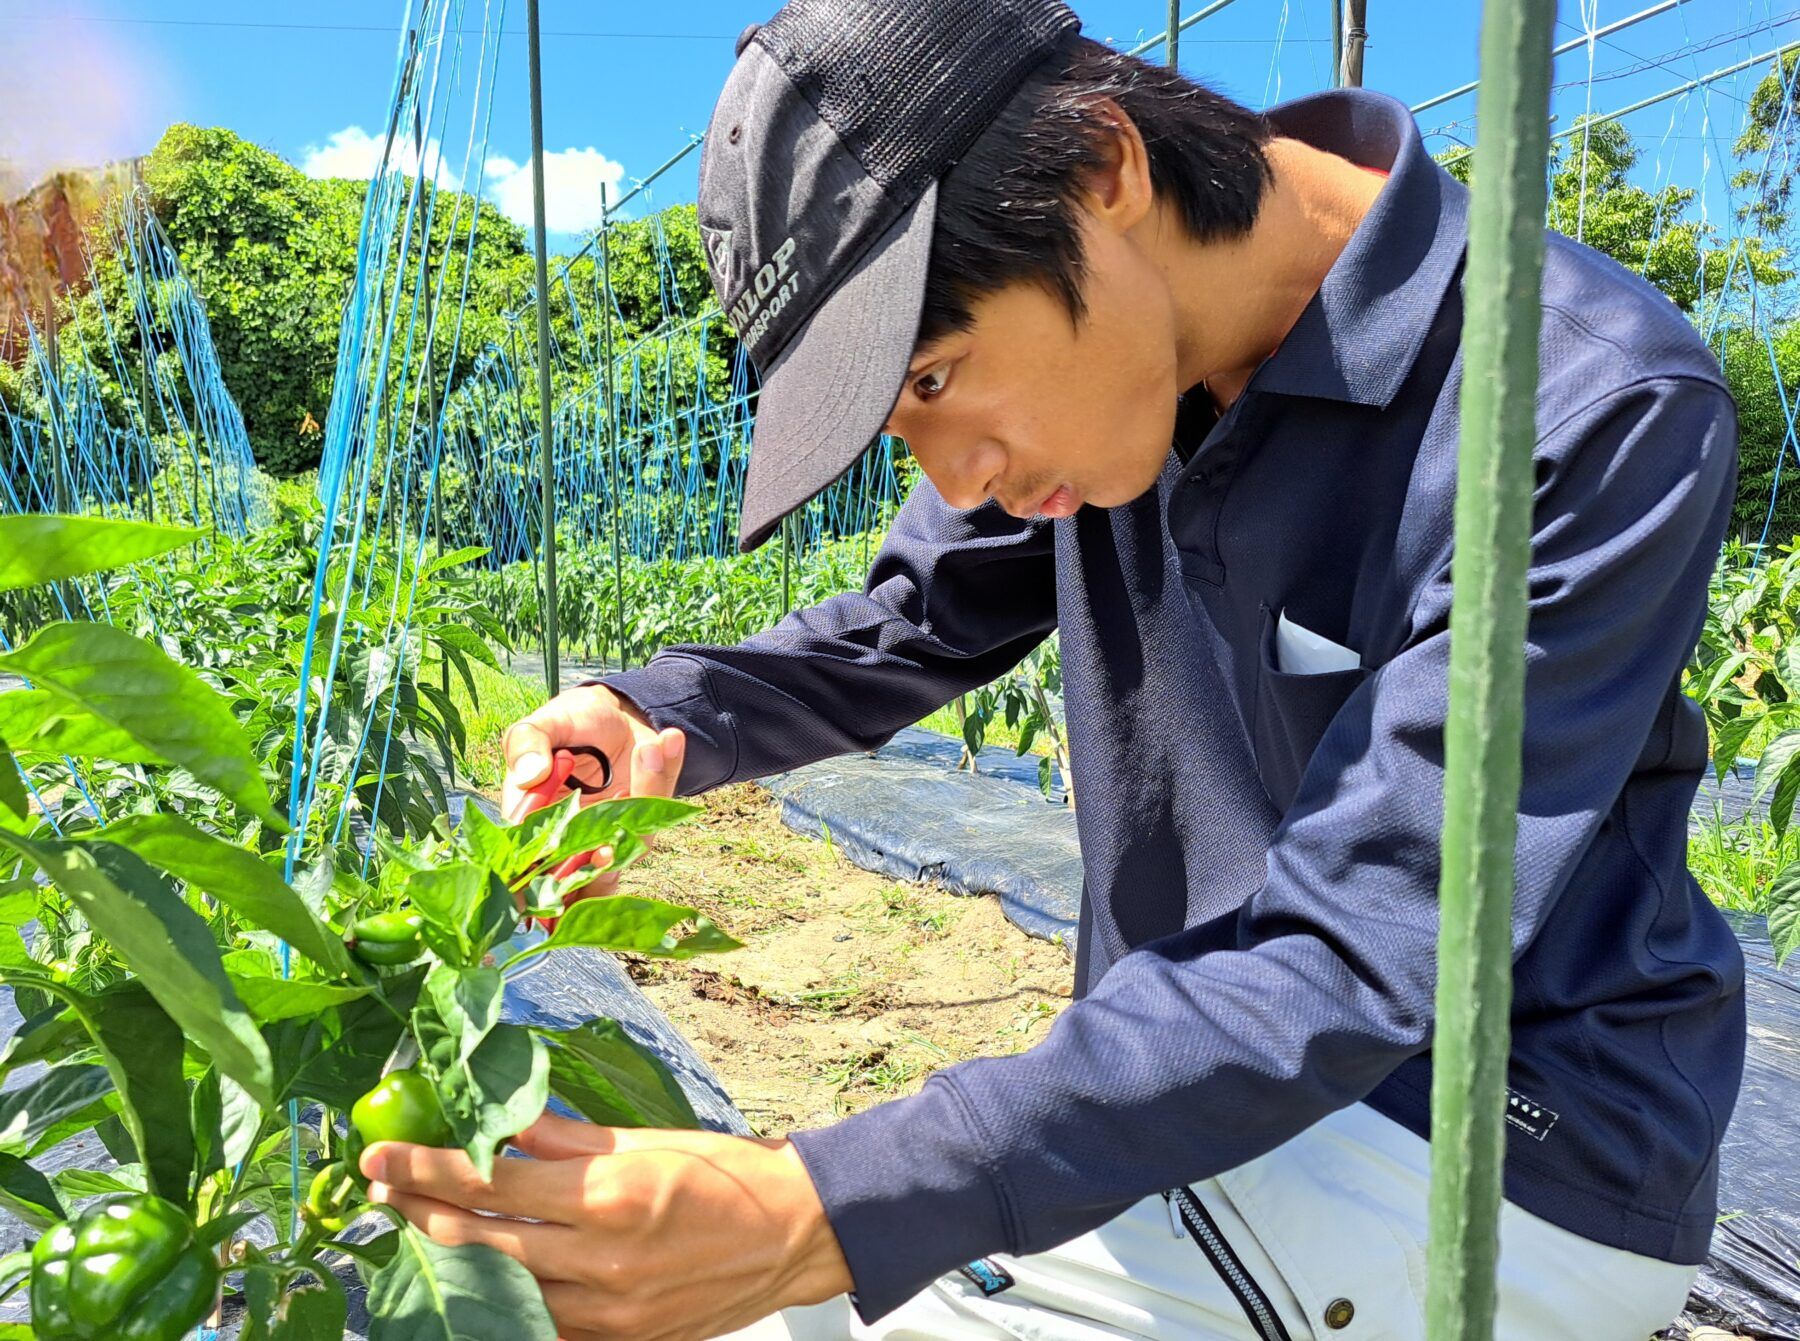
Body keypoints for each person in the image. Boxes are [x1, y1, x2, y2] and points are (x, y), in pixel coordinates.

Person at [353, 2, 1747, 1338]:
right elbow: (908, 620)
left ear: (1102, 167)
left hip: (1485, 1142)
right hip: (1189, 1092)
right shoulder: (1121, 357)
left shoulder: (1577, 401)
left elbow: (1362, 948)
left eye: (935, 379)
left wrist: (813, 1207)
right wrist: (652, 716)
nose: (958, 479)